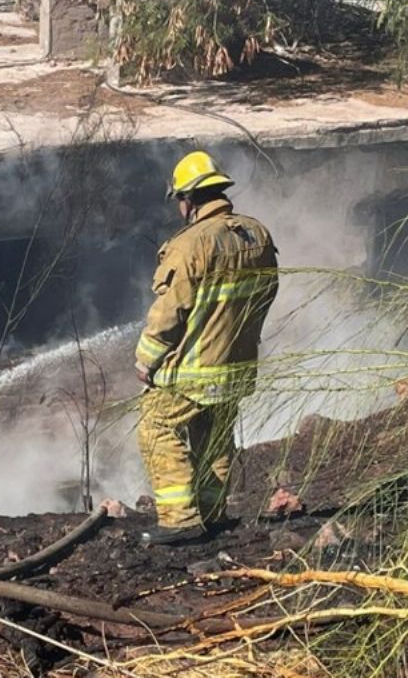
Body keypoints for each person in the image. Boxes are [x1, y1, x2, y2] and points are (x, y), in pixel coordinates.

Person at [134, 151, 279, 546]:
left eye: (180, 200)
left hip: (195, 370)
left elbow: (169, 312)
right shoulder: (257, 235)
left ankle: (180, 519)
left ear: (189, 200)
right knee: (214, 434)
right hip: (237, 366)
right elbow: (265, 296)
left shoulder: (190, 245)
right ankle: (213, 514)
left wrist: (146, 360)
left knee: (157, 425)